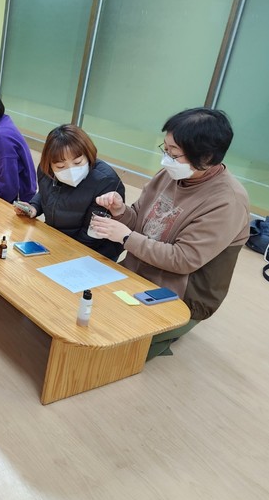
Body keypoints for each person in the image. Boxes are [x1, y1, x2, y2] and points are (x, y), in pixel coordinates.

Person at [91, 108, 250, 360]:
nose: (166, 160)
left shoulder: (228, 201)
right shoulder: (170, 174)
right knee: (82, 310)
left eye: (174, 153)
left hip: (182, 295)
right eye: (165, 149)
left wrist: (126, 237)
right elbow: (140, 220)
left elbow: (183, 259)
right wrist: (121, 211)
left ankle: (166, 335)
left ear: (207, 157)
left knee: (112, 350)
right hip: (139, 271)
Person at [15, 124, 126, 260]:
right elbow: (46, 192)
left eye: (78, 162)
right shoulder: (46, 170)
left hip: (93, 252)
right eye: (60, 166)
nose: (70, 170)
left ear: (89, 155)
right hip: (57, 240)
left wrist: (63, 253)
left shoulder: (105, 181)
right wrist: (34, 207)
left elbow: (91, 235)